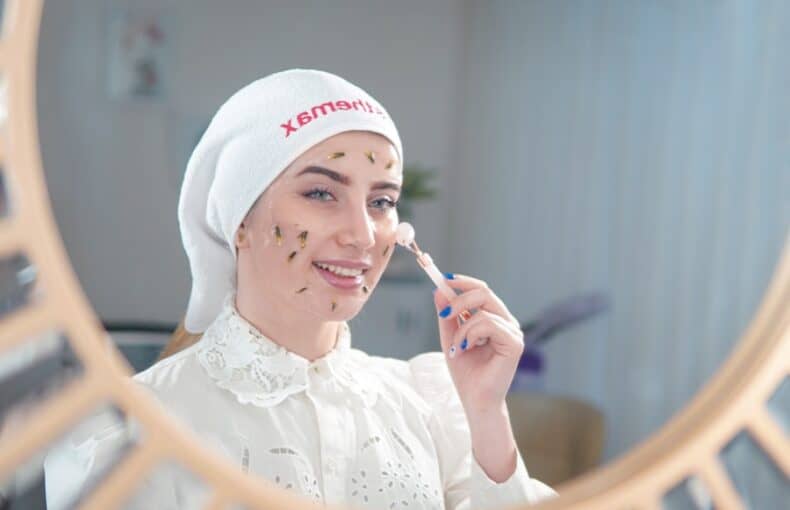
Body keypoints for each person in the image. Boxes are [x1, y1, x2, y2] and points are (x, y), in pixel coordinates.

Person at [45, 69, 557, 509]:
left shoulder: (428, 402)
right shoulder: (129, 431)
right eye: (320, 192)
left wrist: (487, 414)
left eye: (381, 202)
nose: (362, 233)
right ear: (238, 220)